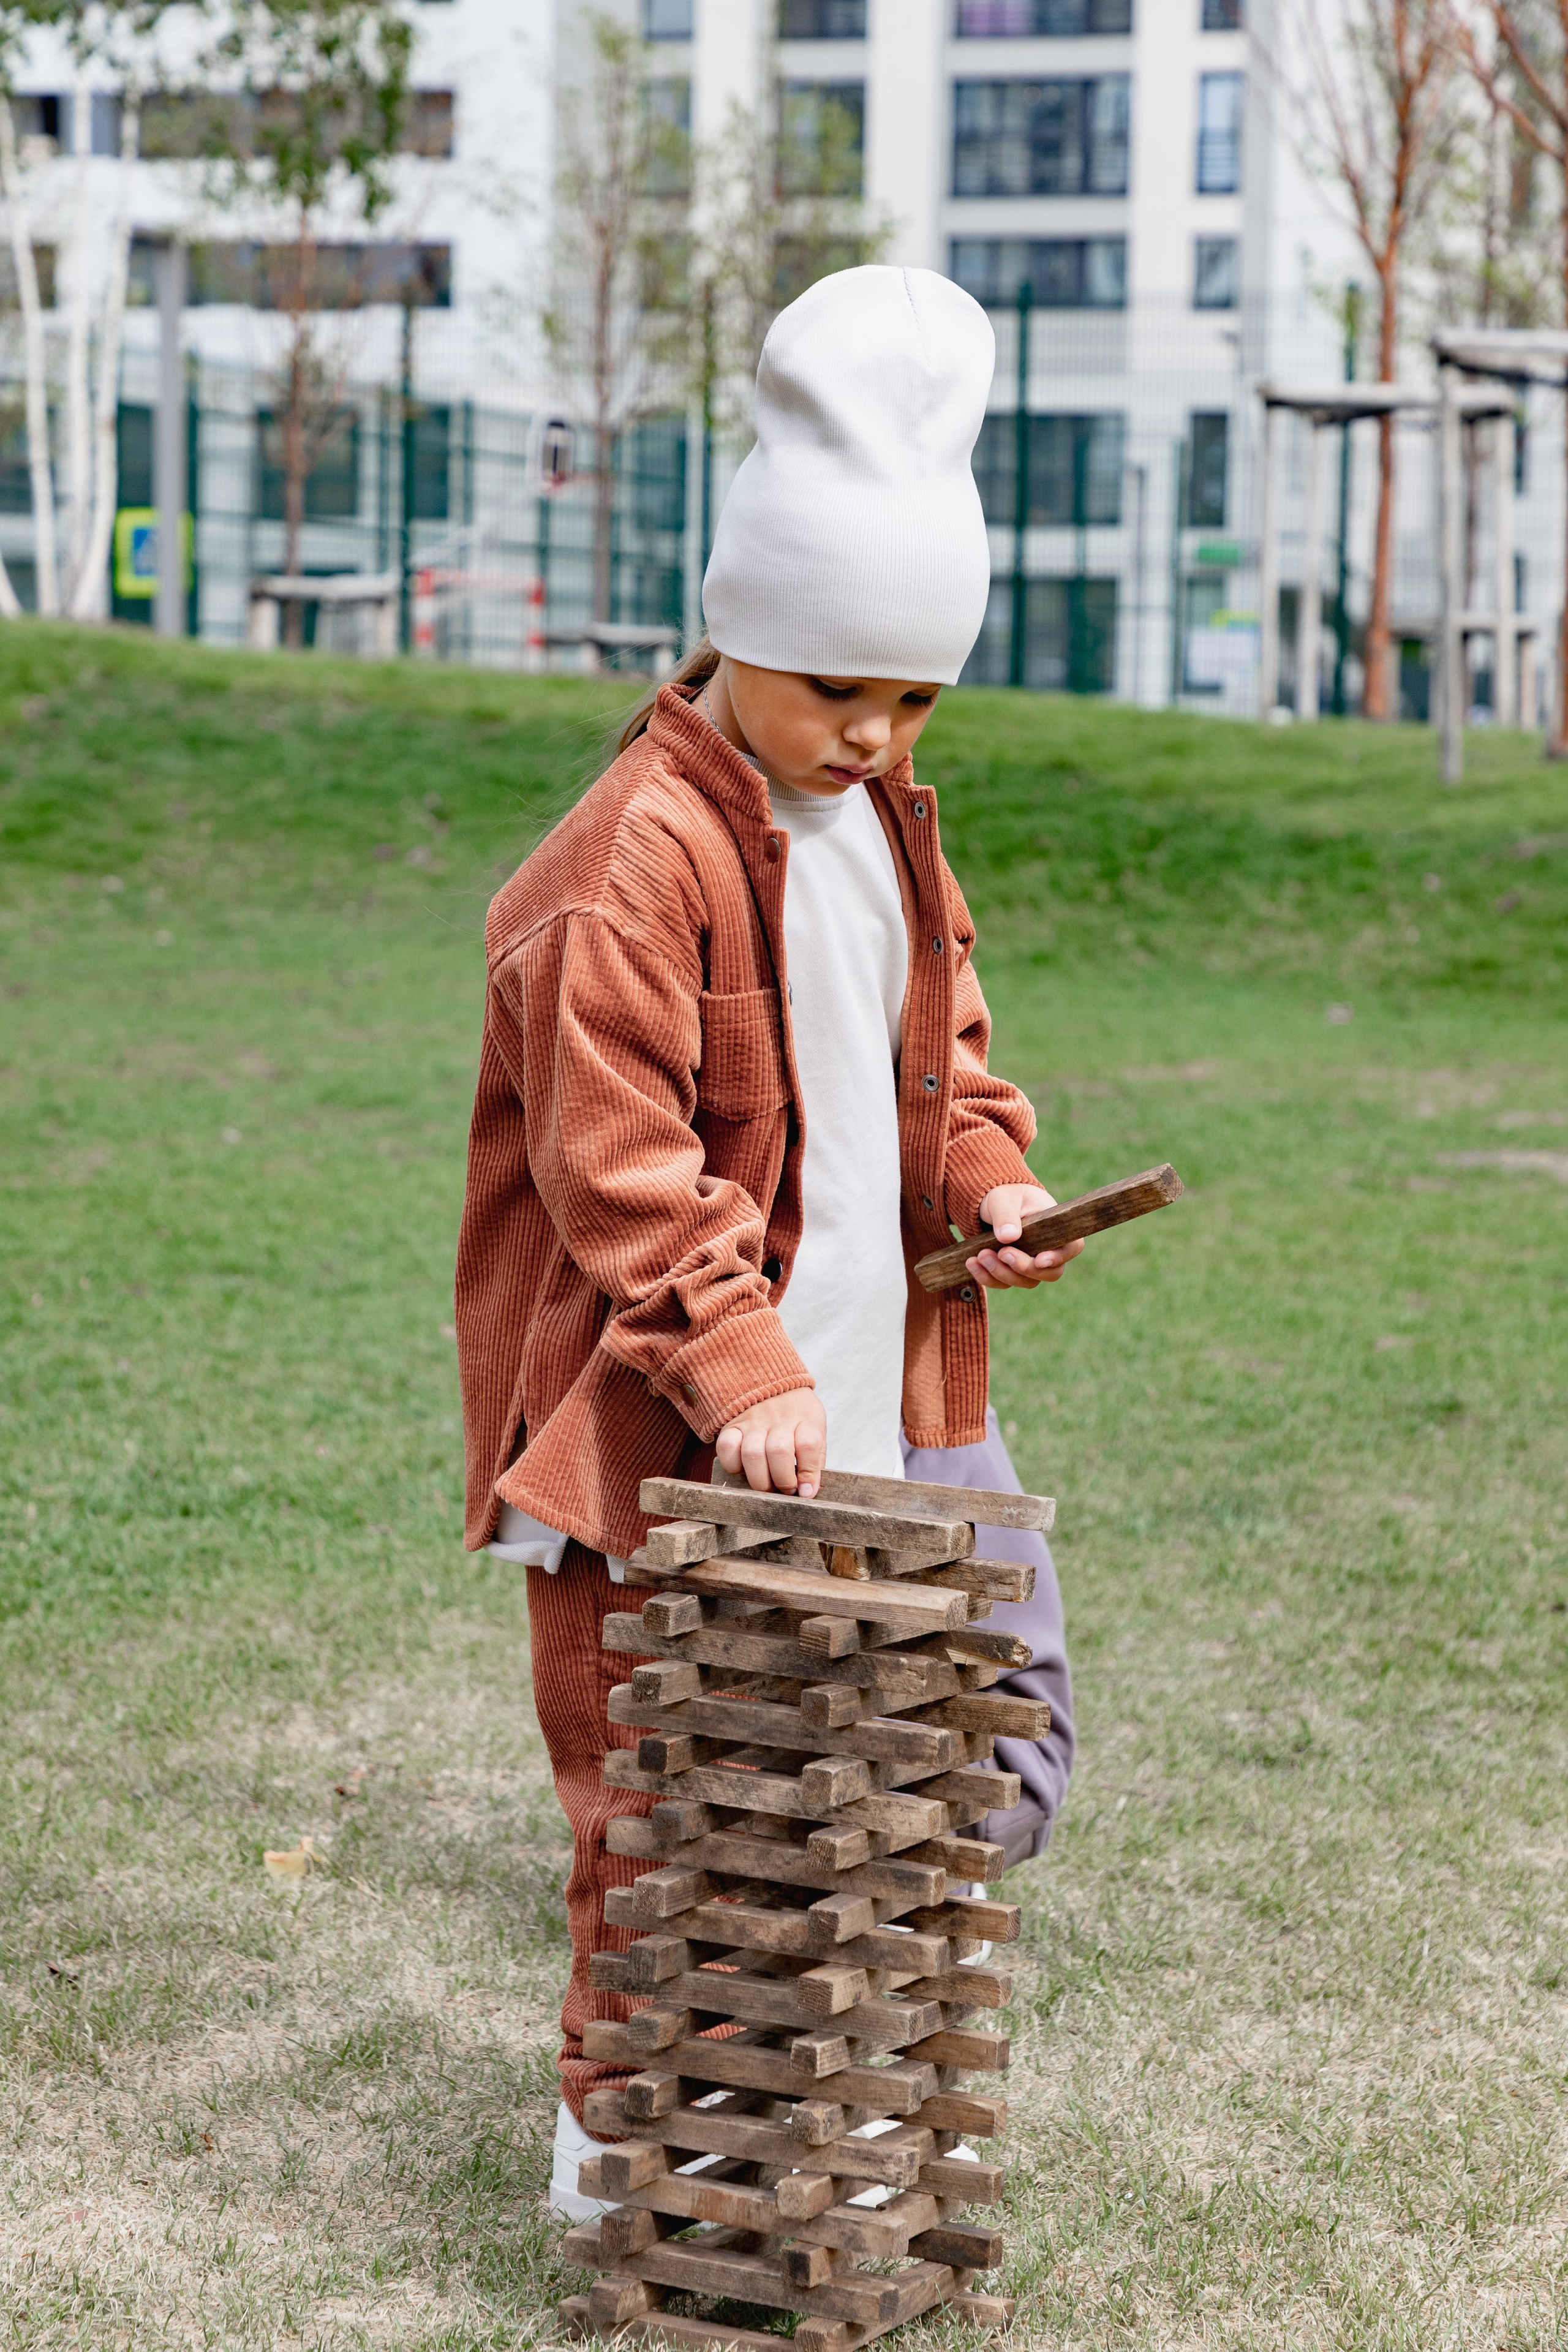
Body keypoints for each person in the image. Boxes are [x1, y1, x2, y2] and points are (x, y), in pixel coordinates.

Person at [454, 265, 1079, 2218]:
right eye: (840, 690)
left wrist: (990, 1182)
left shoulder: (886, 829)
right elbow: (619, 1170)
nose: (877, 734)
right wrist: (742, 1365)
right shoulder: (625, 864)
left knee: (946, 1753)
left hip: (885, 1399)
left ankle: (816, 2077)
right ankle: (634, 2132)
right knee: (670, 1793)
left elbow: (942, 1063)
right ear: (743, 629)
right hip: (673, 1430)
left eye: (917, 697)